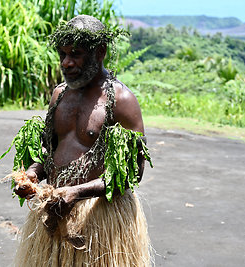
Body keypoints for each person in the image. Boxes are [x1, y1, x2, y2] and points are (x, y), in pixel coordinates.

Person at [13, 15, 152, 266]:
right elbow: (50, 148)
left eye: (75, 54)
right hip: (54, 209)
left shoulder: (121, 101)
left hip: (99, 219)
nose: (66, 63)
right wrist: (33, 173)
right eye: (62, 54)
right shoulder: (59, 94)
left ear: (100, 52)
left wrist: (77, 193)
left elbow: (133, 172)